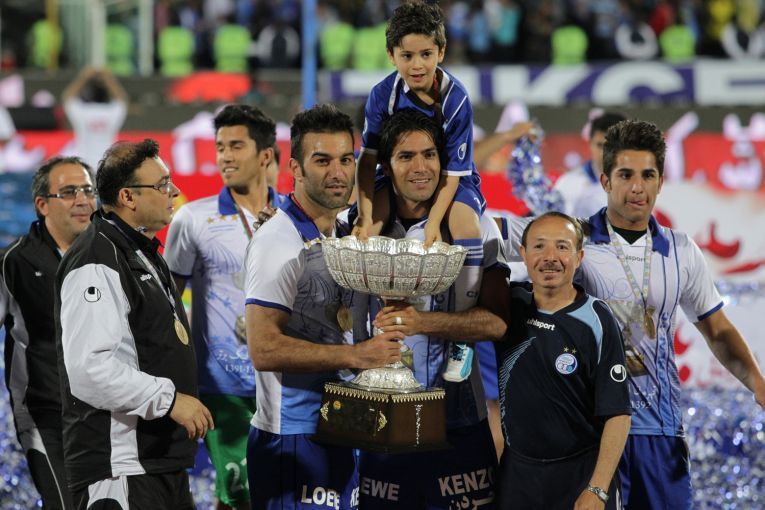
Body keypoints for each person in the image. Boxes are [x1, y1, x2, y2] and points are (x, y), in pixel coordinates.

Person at [501, 119, 765, 509]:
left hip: (658, 432)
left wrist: (758, 384)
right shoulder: (572, 240)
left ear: (661, 182)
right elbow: (491, 233)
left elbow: (717, 329)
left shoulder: (681, 250)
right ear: (605, 181)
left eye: (648, 175)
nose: (637, 187)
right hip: (589, 436)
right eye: (625, 175)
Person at [243, 104, 404, 510]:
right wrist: (356, 355)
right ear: (295, 169)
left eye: (346, 160)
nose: (338, 172)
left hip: (344, 424)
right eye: (322, 161)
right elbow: (263, 348)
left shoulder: (343, 234)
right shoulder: (278, 242)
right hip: (292, 435)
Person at [352, 108, 502, 508]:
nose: (421, 168)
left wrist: (423, 322)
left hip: (459, 424)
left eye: (429, 154)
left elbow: (496, 322)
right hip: (381, 420)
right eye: (406, 156)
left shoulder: (476, 225)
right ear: (386, 166)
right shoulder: (361, 230)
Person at [54, 139, 214, 509]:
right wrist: (169, 399)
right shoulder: (96, 260)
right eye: (162, 184)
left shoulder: (140, 251)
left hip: (156, 463)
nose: (174, 191)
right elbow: (89, 369)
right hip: (121, 467)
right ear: (128, 196)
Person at [353, 0, 483, 383]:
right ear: (391, 55)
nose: (417, 65)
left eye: (426, 54)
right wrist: (363, 214)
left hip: (449, 177)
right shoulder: (382, 95)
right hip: (396, 176)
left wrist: (434, 223)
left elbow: (454, 173)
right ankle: (358, 332)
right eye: (407, 56)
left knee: (467, 225)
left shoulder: (456, 99)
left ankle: (462, 340)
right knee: (362, 236)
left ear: (441, 52)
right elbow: (367, 160)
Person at [165, 104, 283, 510]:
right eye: (220, 147)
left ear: (265, 155)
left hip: (285, 380)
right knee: (240, 492)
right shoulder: (192, 219)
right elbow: (168, 301)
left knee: (269, 492)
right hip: (223, 386)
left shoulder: (292, 218)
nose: (225, 157)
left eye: (236, 146)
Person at [494, 212, 631, 509]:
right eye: (539, 246)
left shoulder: (596, 319)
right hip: (517, 477)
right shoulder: (508, 305)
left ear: (579, 257)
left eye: (562, 247)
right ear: (523, 254)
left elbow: (618, 414)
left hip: (581, 476)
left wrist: (597, 489)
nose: (550, 257)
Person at [1, 156, 96, 509]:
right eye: (69, 192)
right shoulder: (13, 263)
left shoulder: (111, 256)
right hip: (45, 414)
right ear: (42, 205)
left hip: (107, 413)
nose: (83, 200)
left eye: (88, 190)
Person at [553, 112, 625, 218]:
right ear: (590, 144)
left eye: (612, 146)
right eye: (600, 145)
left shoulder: (642, 185)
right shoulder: (569, 184)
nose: (605, 153)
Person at [61, 66, 128, 170]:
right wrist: (108, 78)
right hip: (108, 167)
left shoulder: (82, 112)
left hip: (85, 167)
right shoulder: (111, 112)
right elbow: (122, 100)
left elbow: (67, 98)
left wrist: (83, 77)